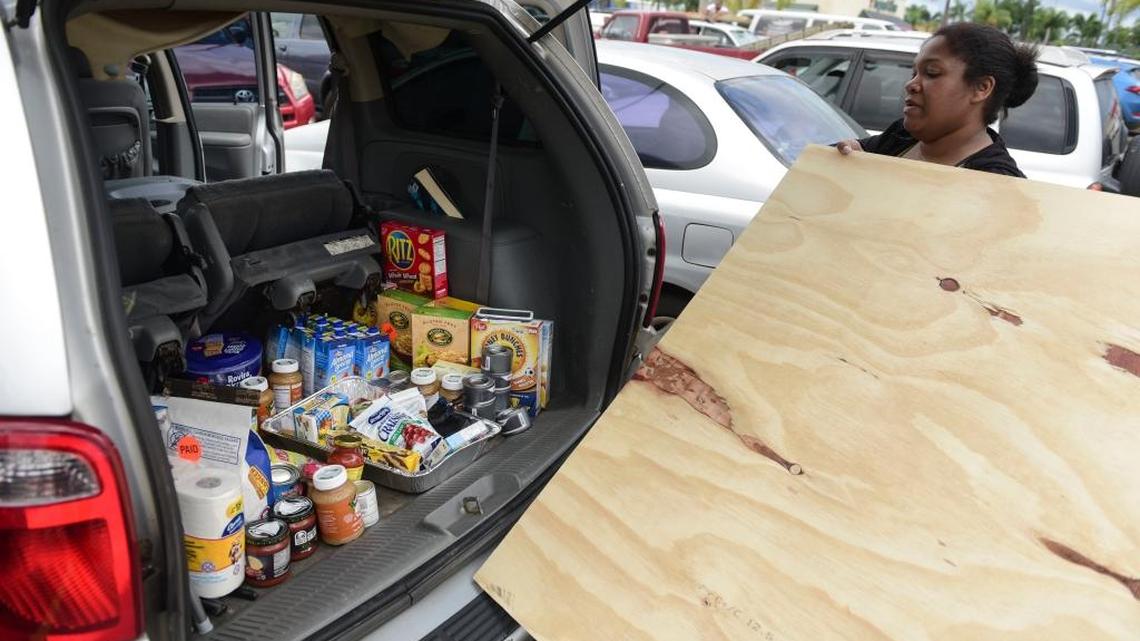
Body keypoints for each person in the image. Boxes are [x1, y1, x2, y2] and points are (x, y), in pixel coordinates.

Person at [836, 23, 1038, 177]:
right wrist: (843, 158)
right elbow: (855, 152)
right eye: (914, 73)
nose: (911, 85)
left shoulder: (997, 180)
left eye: (932, 73)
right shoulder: (900, 137)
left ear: (981, 88)